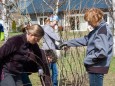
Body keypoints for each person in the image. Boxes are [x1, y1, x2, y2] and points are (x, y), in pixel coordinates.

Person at [60, 8, 113, 86]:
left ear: (95, 19)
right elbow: (85, 39)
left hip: (96, 68)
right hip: (96, 67)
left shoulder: (102, 31)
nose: (88, 24)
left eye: (89, 21)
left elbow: (102, 53)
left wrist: (88, 60)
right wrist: (68, 43)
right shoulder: (98, 30)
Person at [42, 15, 61, 86]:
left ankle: (53, 84)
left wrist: (60, 46)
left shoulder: (49, 28)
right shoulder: (47, 28)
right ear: (51, 21)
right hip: (48, 52)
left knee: (54, 71)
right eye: (56, 22)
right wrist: (64, 42)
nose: (56, 24)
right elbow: (57, 37)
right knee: (49, 72)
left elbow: (52, 42)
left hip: (51, 51)